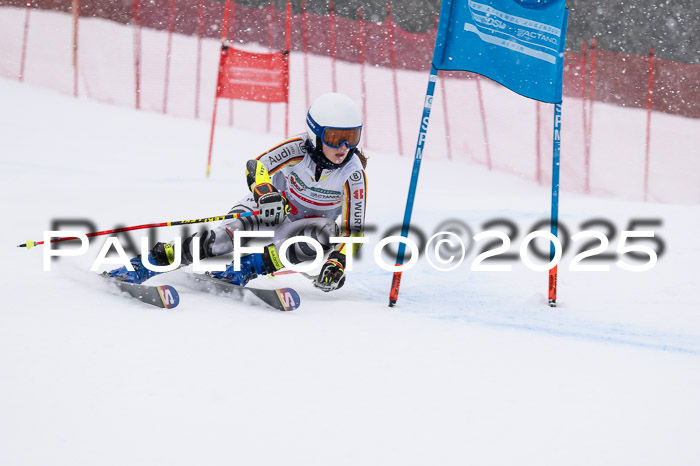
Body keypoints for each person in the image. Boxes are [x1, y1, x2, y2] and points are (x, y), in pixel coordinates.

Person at [107, 92, 367, 292]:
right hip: (272, 210)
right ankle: (149, 263)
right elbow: (257, 166)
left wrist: (337, 261)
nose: (344, 147)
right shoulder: (297, 148)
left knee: (327, 233)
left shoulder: (353, 174)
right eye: (335, 138)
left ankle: (244, 270)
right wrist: (265, 194)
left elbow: (354, 229)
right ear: (316, 133)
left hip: (304, 231)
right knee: (220, 241)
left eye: (352, 138)